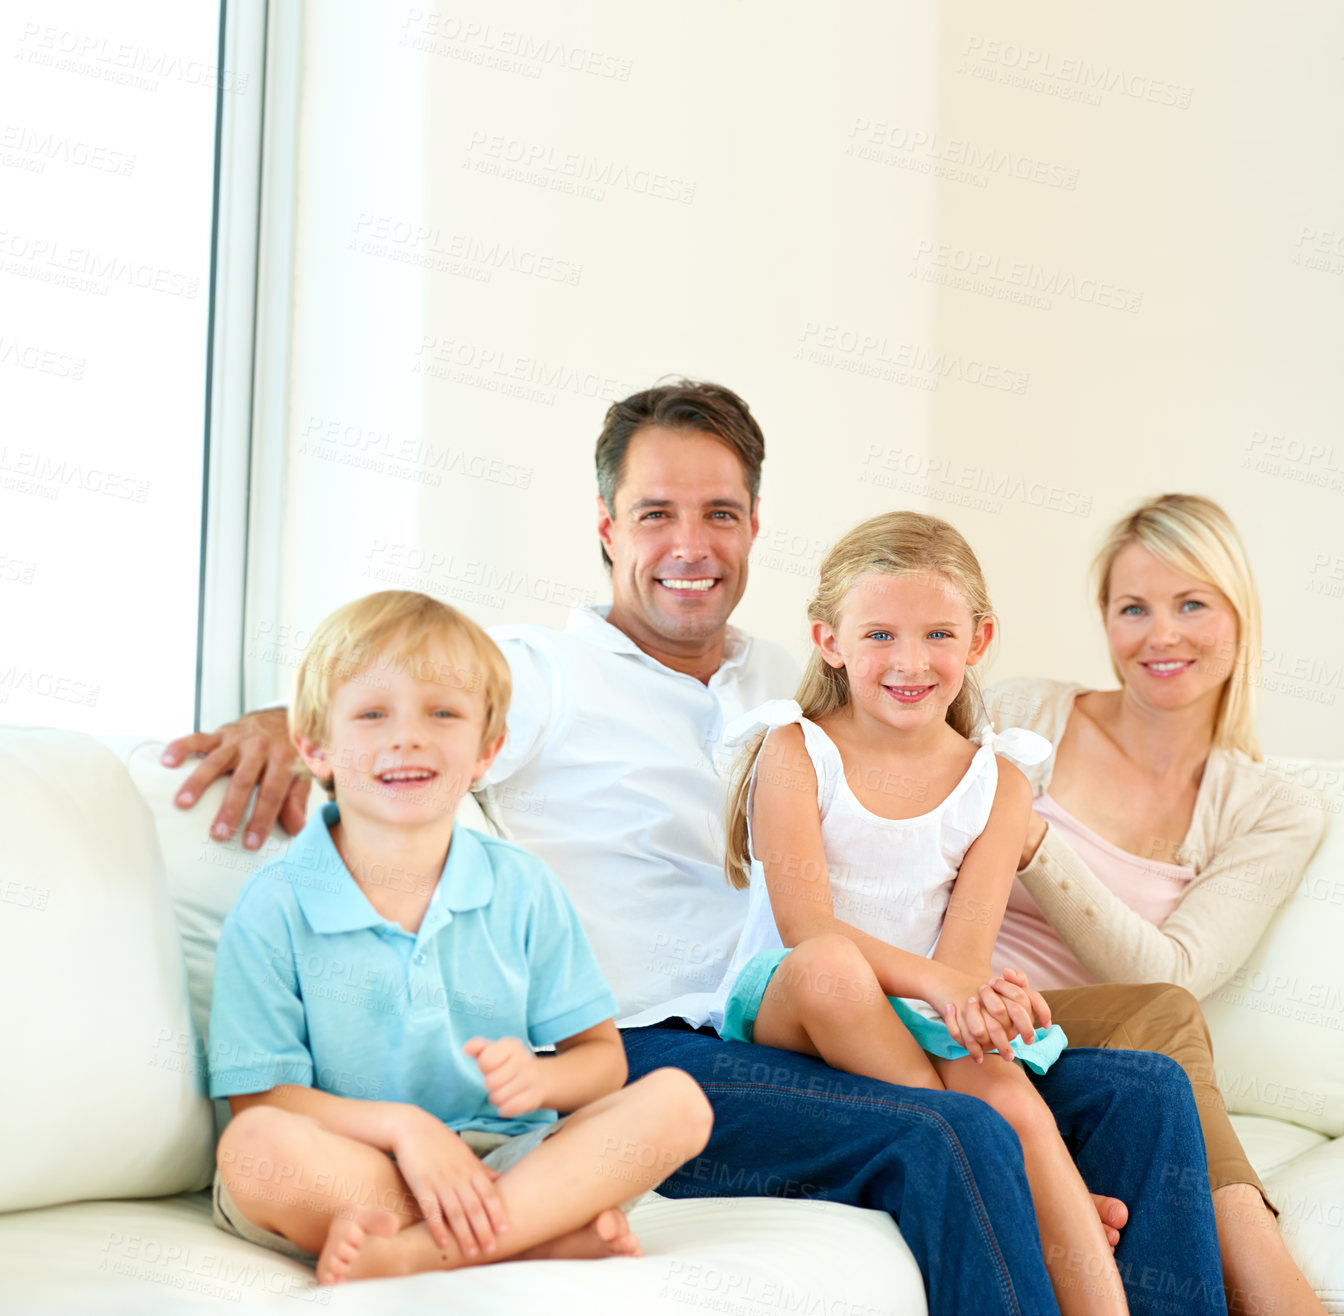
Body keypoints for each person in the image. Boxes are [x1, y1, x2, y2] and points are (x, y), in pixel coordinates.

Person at [168, 381, 1228, 1316]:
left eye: (718, 514)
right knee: (948, 1135)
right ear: (606, 526)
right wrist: (275, 721)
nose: (689, 544)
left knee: (1140, 1090)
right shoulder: (539, 674)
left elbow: (932, 737)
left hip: (824, 1030)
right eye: (655, 513)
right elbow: (410, 694)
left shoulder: (800, 678)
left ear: (755, 528)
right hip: (653, 1048)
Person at [208, 590, 712, 1284]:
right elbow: (263, 1101)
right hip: (359, 1169)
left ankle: (416, 1254)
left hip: (501, 1157)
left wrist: (541, 1077)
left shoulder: (523, 888)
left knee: (676, 1102)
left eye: (442, 713)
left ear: (487, 749)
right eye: (372, 714)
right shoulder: (276, 905)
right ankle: (524, 1233)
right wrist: (404, 1130)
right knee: (255, 1145)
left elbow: (601, 1062)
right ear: (314, 747)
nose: (407, 737)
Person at [718, 511, 1125, 1315]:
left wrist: (974, 1003)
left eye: (937, 633)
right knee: (835, 969)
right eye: (878, 635)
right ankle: (987, 1167)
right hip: (796, 998)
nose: (909, 662)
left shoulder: (999, 781)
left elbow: (966, 957)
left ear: (978, 641)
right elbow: (808, 931)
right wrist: (944, 992)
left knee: (1010, 1096)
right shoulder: (796, 751)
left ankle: (1067, 1235)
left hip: (921, 1006)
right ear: (828, 640)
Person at [987, 494, 1329, 1316]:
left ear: (1238, 618)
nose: (1160, 636)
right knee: (1165, 1027)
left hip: (1085, 1058)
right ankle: (1263, 1270)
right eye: (1131, 608)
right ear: (1104, 621)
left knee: (1163, 1022)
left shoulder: (1269, 808)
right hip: (965, 1022)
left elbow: (1171, 972)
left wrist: (1033, 845)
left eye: (1191, 605)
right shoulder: (1019, 713)